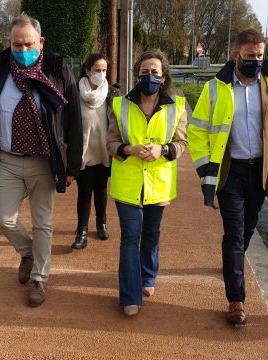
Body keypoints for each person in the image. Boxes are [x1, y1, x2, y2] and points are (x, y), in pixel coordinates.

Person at [0, 14, 82, 308]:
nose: (22, 50)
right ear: (9, 43)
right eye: (16, 45)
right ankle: (29, 253)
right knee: (2, 217)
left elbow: (73, 120)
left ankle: (39, 279)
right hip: (7, 159)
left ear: (40, 42)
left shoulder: (57, 70)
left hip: (44, 160)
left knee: (43, 222)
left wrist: (71, 166)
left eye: (28, 44)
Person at [188, 28, 268, 325]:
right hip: (231, 172)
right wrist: (205, 171)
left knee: (249, 227)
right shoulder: (216, 88)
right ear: (236, 55)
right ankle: (236, 300)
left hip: (260, 170)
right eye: (250, 56)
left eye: (260, 55)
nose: (256, 61)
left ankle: (231, 264)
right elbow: (196, 131)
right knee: (234, 234)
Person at [107, 50, 188, 316]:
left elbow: (182, 143)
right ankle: (130, 295)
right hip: (128, 182)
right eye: (144, 72)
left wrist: (162, 150)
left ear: (163, 77)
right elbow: (110, 142)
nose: (149, 76)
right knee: (130, 236)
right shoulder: (119, 104)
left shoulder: (177, 105)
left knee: (151, 235)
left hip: (158, 184)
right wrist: (129, 150)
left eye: (154, 72)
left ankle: (148, 275)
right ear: (136, 75)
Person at [71, 54, 120, 250]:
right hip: (82, 152)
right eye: (97, 70)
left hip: (104, 152)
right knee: (84, 192)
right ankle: (81, 231)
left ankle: (101, 223)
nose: (101, 74)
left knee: (100, 189)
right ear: (87, 70)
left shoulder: (112, 93)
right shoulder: (74, 92)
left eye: (104, 70)